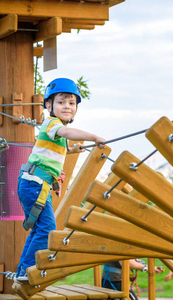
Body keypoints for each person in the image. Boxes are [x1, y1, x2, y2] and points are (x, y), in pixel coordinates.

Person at [15, 78, 106, 283]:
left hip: (39, 186)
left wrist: (72, 149)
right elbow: (66, 132)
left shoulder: (57, 132)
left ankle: (23, 270)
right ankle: (28, 270)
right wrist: (94, 137)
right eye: (61, 102)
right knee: (47, 228)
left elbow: (59, 147)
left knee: (40, 228)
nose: (67, 106)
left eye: (71, 103)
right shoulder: (53, 124)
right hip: (34, 184)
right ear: (49, 105)